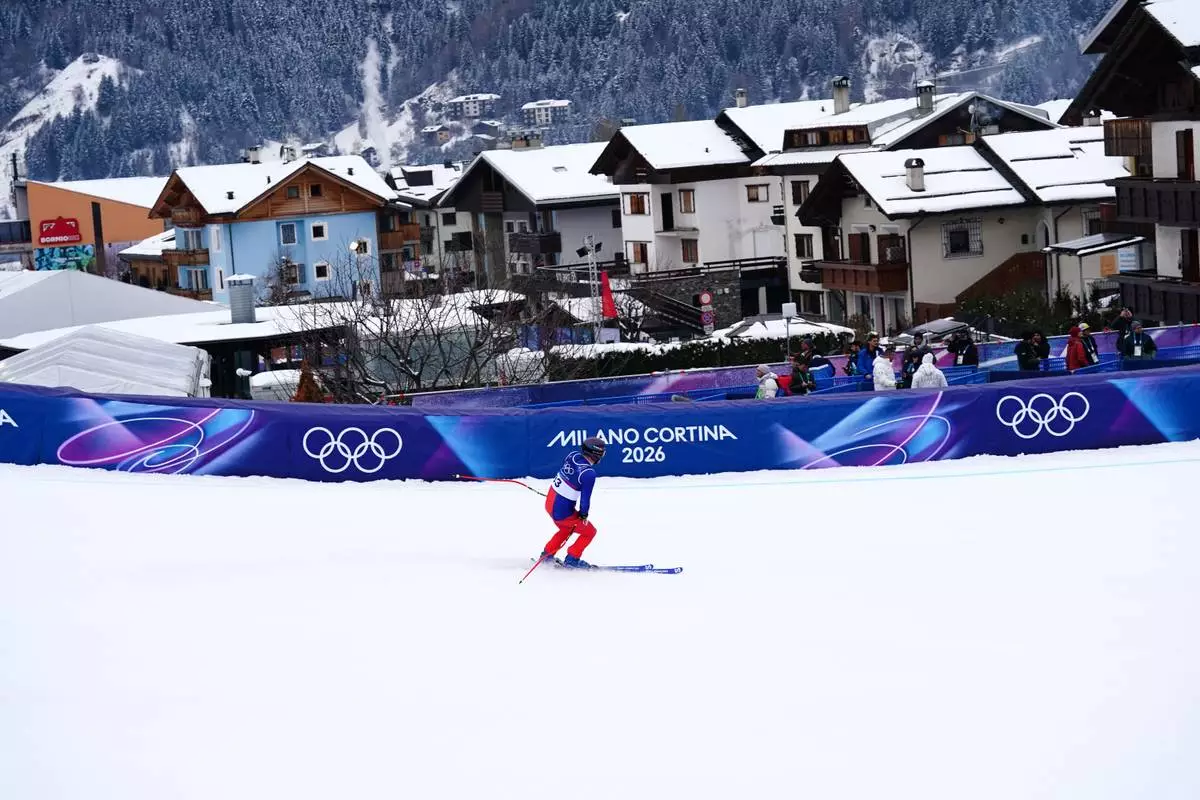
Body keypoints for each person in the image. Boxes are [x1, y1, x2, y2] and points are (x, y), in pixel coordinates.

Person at [541, 437, 606, 568]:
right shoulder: (588, 474)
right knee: (590, 531)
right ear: (597, 454)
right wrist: (583, 515)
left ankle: (547, 555)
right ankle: (572, 559)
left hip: (550, 502)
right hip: (561, 511)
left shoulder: (573, 455)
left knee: (566, 529)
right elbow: (585, 500)